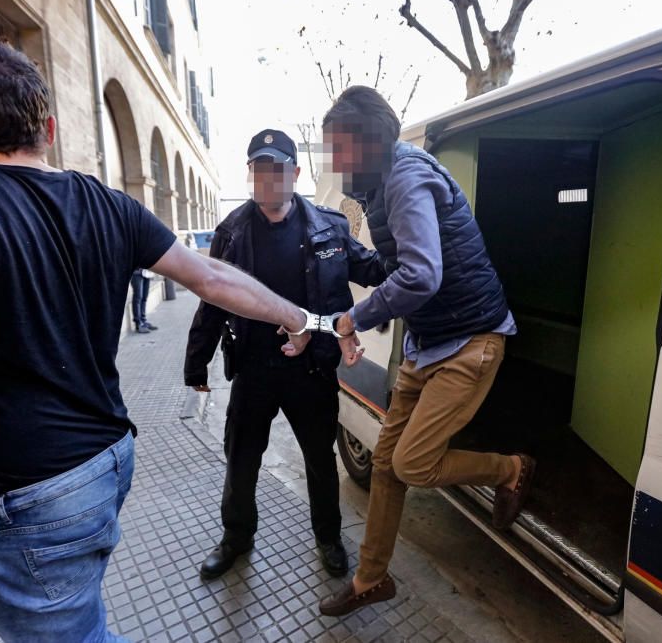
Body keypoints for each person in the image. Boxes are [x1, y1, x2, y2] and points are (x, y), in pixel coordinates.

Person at [0, 36, 342, 642]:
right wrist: (290, 318)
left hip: (24, 492)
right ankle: (232, 538)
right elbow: (212, 280)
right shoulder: (110, 206)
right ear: (50, 128)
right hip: (108, 458)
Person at [317, 86, 536, 616]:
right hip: (425, 344)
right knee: (387, 467)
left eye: (338, 148)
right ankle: (371, 579)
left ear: (368, 143)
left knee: (412, 463)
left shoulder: (408, 177)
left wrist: (354, 318)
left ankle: (509, 470)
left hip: (469, 342)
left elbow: (420, 274)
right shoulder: (374, 185)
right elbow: (394, 264)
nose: (333, 161)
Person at [185, 129, 386, 580]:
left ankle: (329, 537)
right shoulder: (232, 232)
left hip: (311, 368)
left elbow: (372, 268)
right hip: (254, 370)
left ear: (294, 174)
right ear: (250, 174)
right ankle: (236, 538)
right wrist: (197, 361)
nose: (268, 179)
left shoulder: (329, 227)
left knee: (319, 458)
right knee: (241, 459)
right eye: (260, 169)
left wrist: (409, 251)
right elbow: (212, 297)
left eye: (277, 169)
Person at [130, 267, 158, 333]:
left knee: (144, 298)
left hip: (147, 273)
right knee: (138, 298)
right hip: (136, 273)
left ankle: (143, 320)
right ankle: (138, 323)